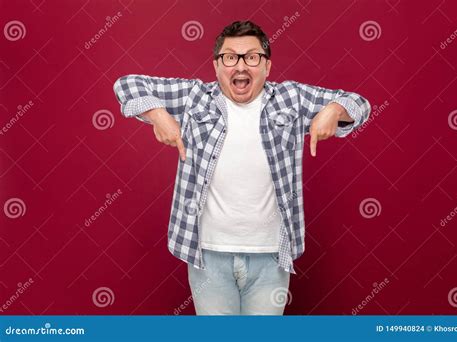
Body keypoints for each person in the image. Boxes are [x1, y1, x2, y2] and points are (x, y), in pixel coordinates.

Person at [113, 20, 371, 315]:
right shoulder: (194, 97)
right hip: (207, 253)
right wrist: (157, 114)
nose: (240, 67)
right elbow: (126, 84)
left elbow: (359, 103)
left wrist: (334, 110)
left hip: (271, 256)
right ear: (216, 66)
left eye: (252, 57)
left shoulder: (292, 99)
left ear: (267, 66)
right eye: (230, 57)